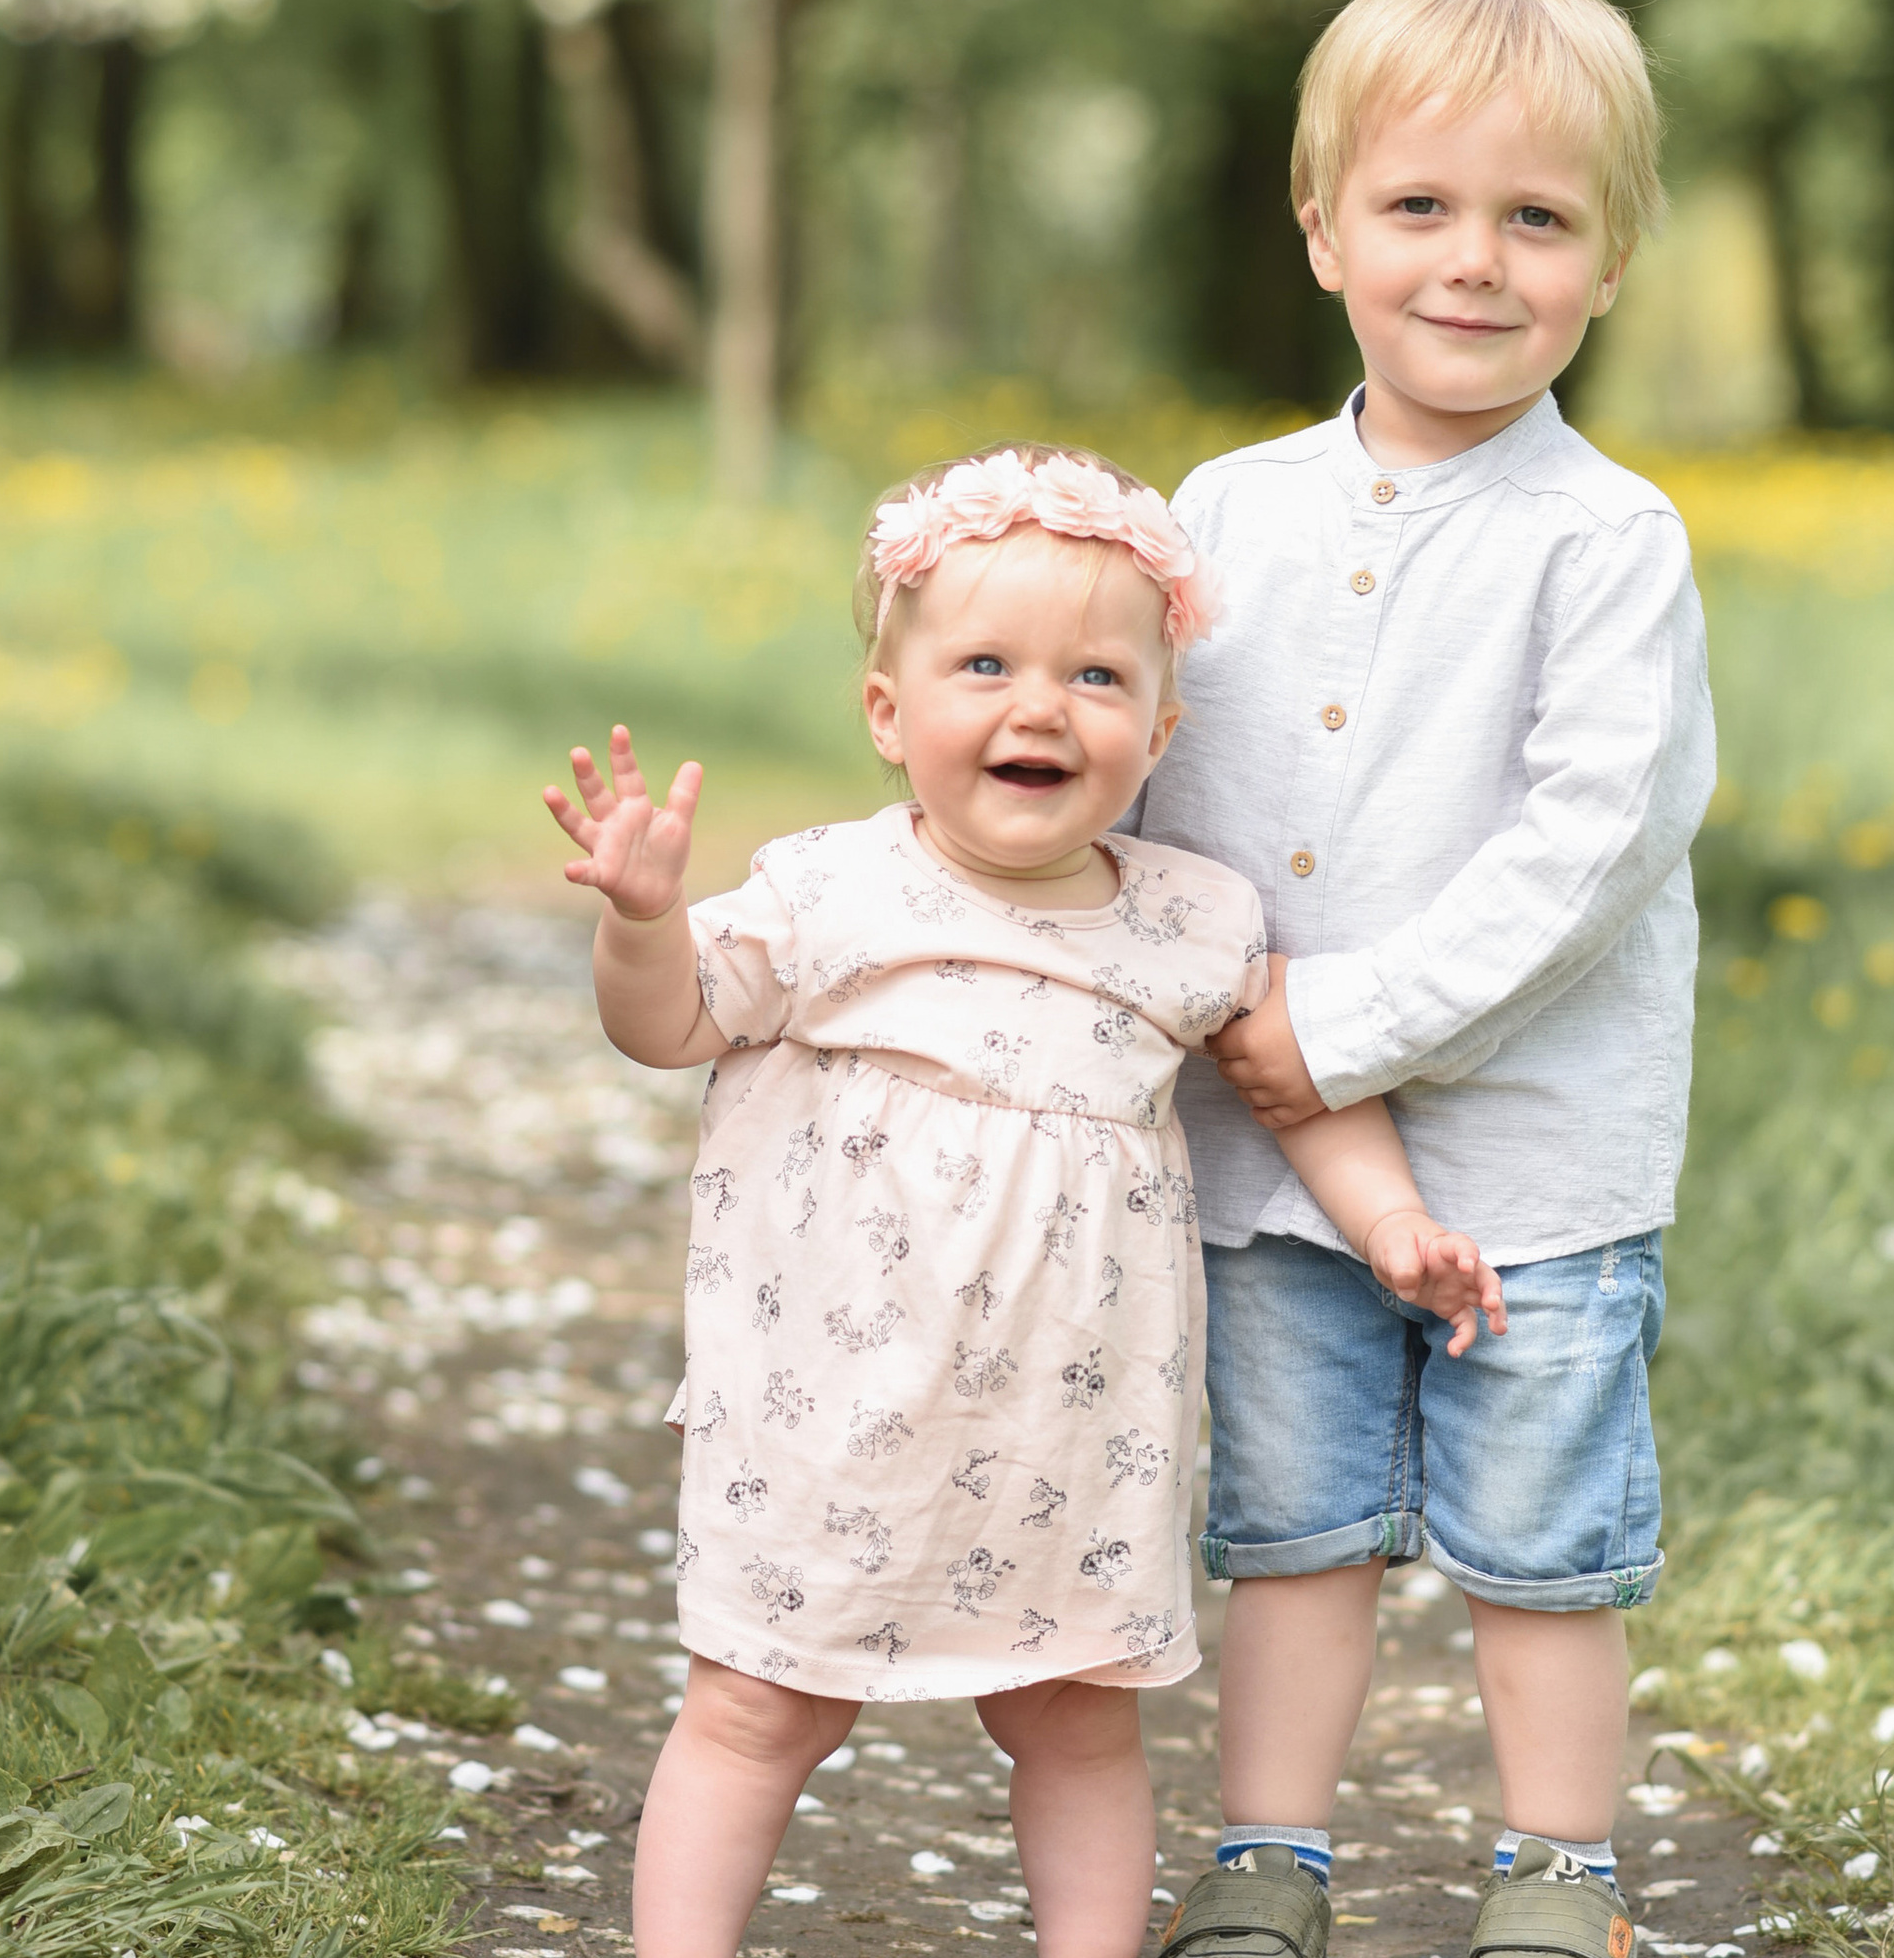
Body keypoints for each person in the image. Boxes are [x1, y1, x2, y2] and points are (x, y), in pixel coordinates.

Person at [543, 443, 1507, 1958]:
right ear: (888, 711)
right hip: (833, 1413)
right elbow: (669, 1026)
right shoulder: (828, 894)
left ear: (1161, 729)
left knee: (1073, 1720)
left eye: (1098, 678)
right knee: (758, 1707)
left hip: (1070, 1427)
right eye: (984, 664)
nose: (1040, 706)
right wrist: (647, 926)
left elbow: (1294, 1083)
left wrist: (1391, 1224)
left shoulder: (1189, 919)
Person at [1140, 0, 1717, 1958]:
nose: (1473, 261)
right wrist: (1225, 1025)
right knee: (1286, 1516)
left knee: (1539, 1536)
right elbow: (1167, 802)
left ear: (1608, 255)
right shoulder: (1224, 511)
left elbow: (1593, 844)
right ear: (1320, 229)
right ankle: (1266, 1849)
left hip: (1535, 1162)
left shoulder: (1605, 538)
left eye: (1534, 217)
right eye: (1418, 205)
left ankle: (1556, 1865)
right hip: (1275, 1156)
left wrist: (1345, 1027)